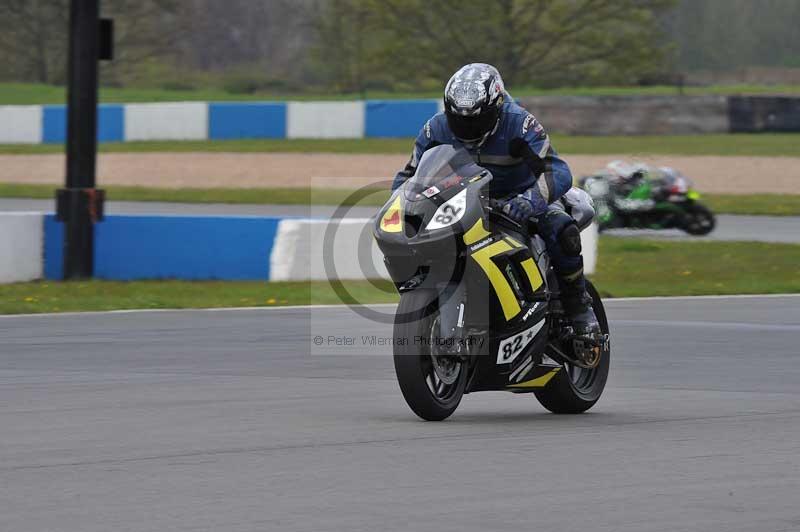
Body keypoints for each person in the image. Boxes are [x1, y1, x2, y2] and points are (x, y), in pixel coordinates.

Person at [392, 63, 599, 338]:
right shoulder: (436, 128)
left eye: (476, 119)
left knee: (561, 229)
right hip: (464, 203)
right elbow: (409, 175)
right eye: (459, 118)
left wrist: (529, 201)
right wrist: (403, 207)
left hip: (520, 200)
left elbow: (556, 170)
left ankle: (578, 307)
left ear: (496, 107)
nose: (467, 126)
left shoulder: (519, 123)